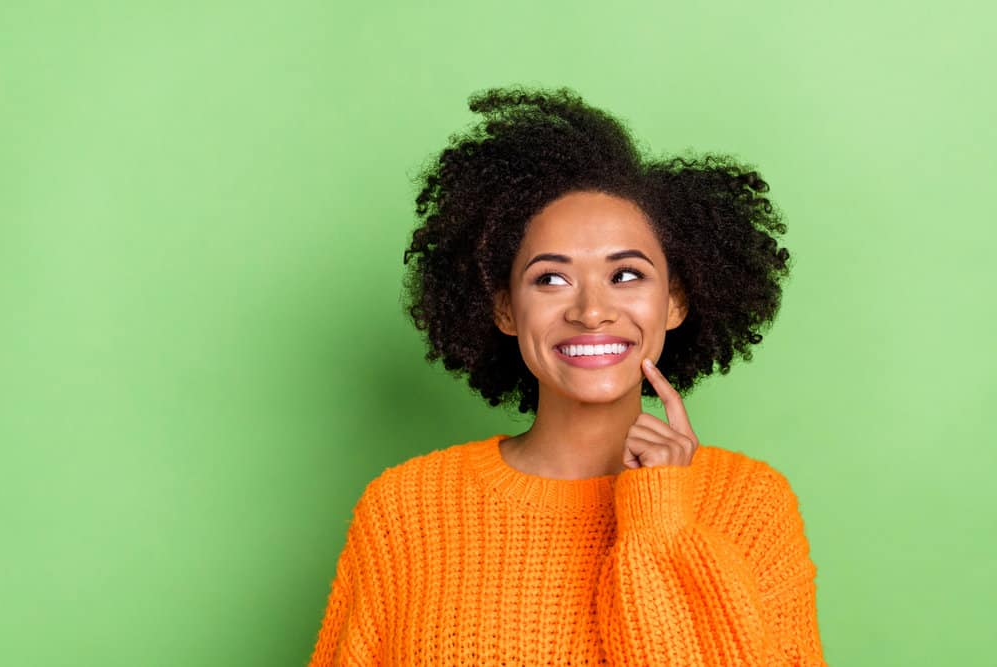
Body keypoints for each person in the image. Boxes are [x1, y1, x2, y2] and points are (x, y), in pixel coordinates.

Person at [307, 86, 825, 665]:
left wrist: (660, 516)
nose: (590, 310)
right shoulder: (406, 508)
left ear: (674, 302)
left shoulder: (750, 505)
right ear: (505, 309)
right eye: (550, 279)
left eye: (627, 275)